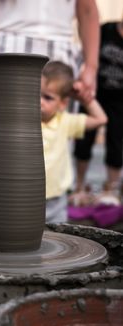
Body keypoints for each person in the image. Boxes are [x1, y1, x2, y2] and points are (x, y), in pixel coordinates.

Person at [0, 0, 100, 107]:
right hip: (8, 46)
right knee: (2, 126)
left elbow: (88, 10)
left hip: (60, 54)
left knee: (58, 131)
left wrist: (91, 67)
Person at [41, 61, 107, 223]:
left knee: (57, 239)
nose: (39, 101)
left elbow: (101, 119)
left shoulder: (65, 122)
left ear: (63, 103)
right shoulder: (24, 120)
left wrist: (84, 98)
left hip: (56, 199)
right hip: (25, 196)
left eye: (47, 97)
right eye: (35, 94)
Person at [73, 18, 123, 206]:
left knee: (116, 143)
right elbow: (88, 52)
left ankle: (111, 190)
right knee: (83, 139)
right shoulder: (106, 30)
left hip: (119, 100)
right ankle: (79, 186)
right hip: (94, 94)